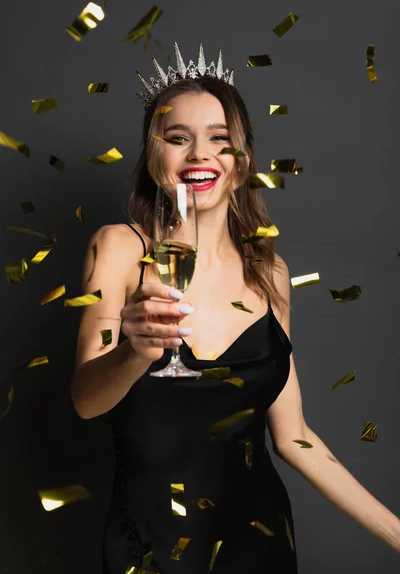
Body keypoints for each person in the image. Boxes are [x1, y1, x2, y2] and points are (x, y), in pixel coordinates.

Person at [70, 44, 400, 574]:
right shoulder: (118, 249)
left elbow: (294, 437)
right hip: (151, 546)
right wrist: (135, 354)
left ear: (242, 163)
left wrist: (396, 533)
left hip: (258, 541)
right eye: (178, 139)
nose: (200, 155)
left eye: (220, 141)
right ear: (155, 159)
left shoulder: (270, 274)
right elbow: (85, 400)